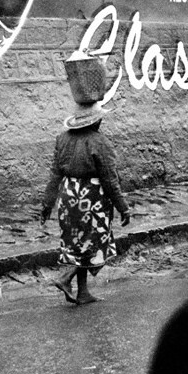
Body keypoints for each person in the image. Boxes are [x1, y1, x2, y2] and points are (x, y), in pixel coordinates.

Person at [38, 101, 131, 305]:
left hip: (69, 196)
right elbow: (109, 179)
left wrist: (47, 205)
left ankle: (83, 291)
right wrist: (122, 207)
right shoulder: (100, 143)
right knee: (91, 242)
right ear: (95, 121)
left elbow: (55, 175)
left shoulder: (62, 139)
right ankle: (66, 278)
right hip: (92, 198)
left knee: (78, 242)